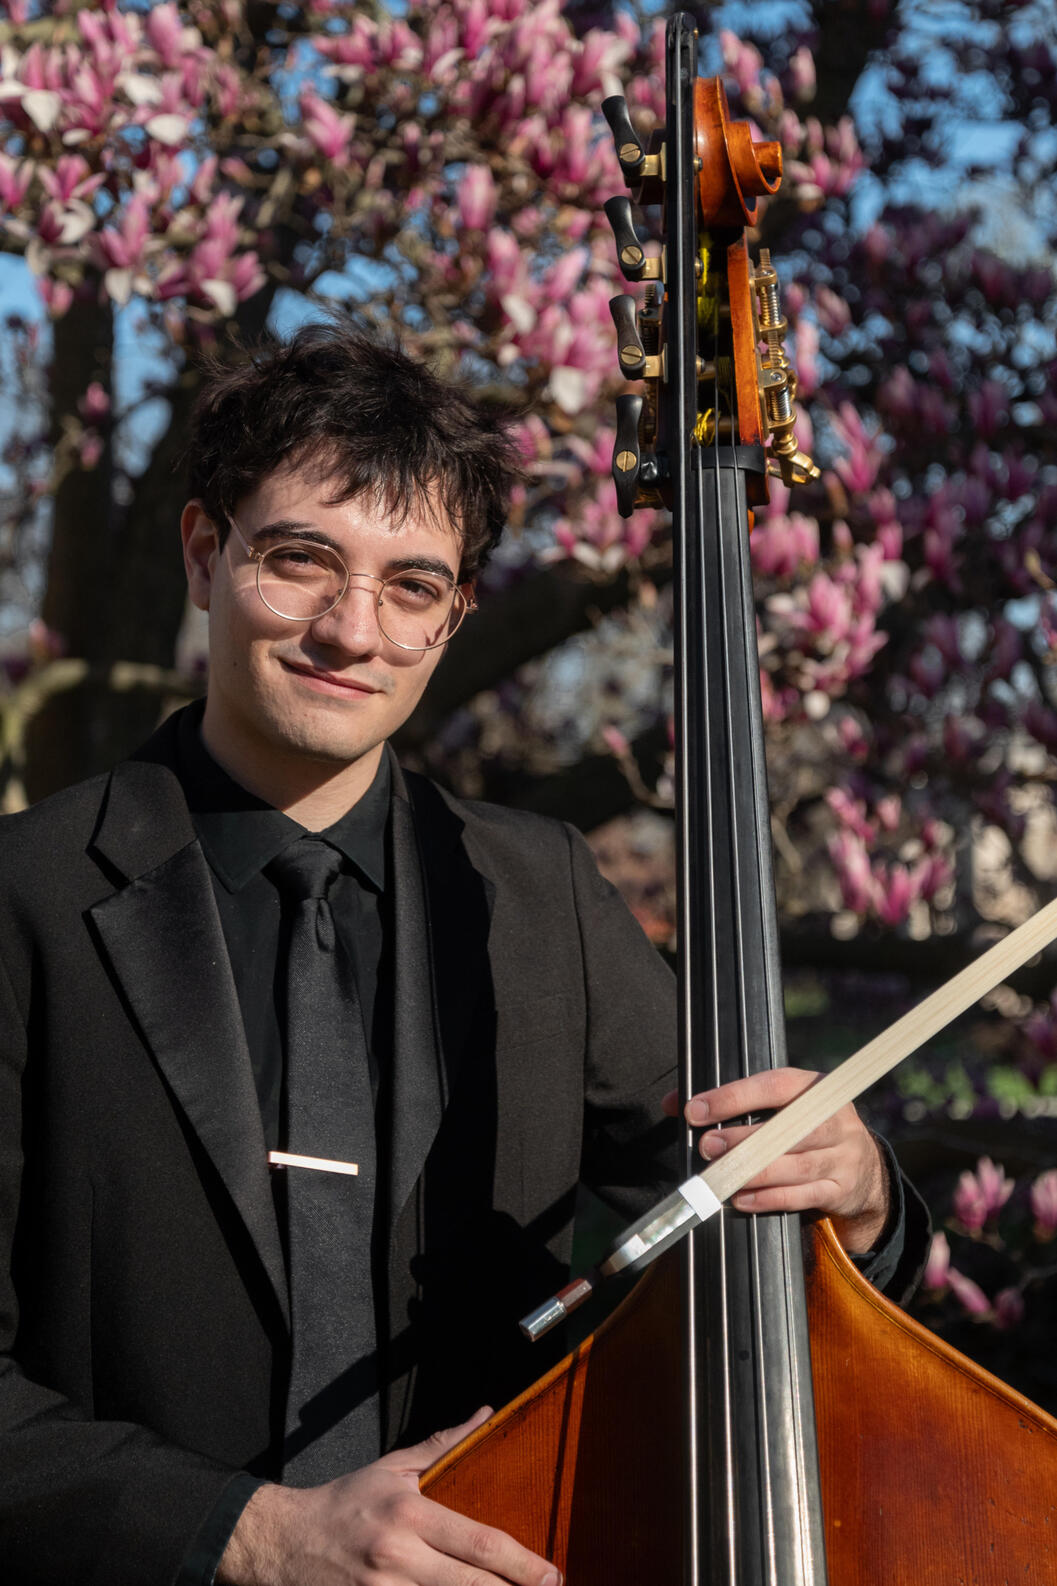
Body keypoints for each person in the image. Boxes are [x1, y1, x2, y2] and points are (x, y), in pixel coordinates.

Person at [0, 323, 926, 1586]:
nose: (352, 629)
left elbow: (756, 1219)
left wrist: (859, 1197)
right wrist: (252, 1533)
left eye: (412, 586)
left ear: (457, 613)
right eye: (300, 560)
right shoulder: (26, 897)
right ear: (205, 553)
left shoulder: (541, 895)